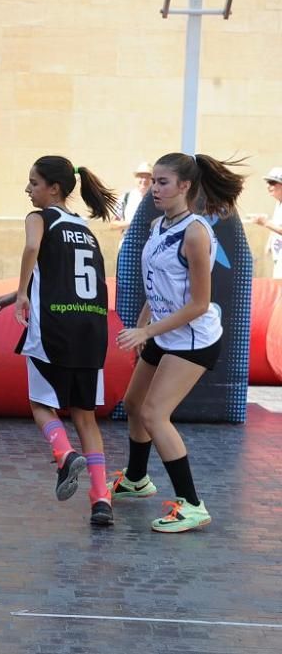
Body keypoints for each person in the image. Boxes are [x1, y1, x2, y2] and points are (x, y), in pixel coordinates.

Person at [111, 152, 244, 533]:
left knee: (154, 413)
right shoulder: (157, 226)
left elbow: (199, 304)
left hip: (193, 338)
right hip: (162, 330)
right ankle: (137, 480)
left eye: (163, 182)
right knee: (134, 404)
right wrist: (142, 324)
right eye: (153, 181)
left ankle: (192, 505)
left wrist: (147, 332)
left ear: (185, 186)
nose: (155, 188)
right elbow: (159, 287)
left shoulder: (196, 232)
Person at [0, 156, 117, 526]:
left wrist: (23, 294)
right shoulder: (85, 228)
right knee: (86, 417)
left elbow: (31, 250)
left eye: (33, 183)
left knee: (40, 404)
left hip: (55, 327)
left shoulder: (39, 218)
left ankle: (63, 454)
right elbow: (65, 274)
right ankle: (101, 497)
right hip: (92, 330)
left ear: (53, 188)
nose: (27, 190)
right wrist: (20, 291)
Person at [252, 166, 282, 279]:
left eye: (272, 182)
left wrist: (265, 222)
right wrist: (270, 242)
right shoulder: (278, 204)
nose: (268, 186)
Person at [111, 161, 153, 235]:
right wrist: (134, 224)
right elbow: (113, 224)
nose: (144, 180)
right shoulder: (125, 198)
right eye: (141, 176)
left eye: (147, 177)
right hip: (129, 243)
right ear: (136, 178)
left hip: (151, 244)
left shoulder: (159, 199)